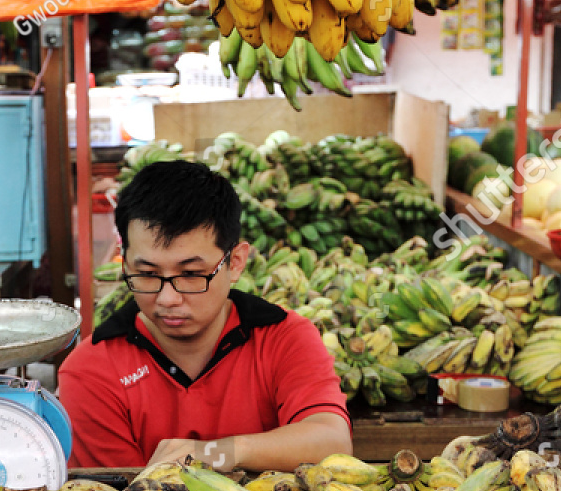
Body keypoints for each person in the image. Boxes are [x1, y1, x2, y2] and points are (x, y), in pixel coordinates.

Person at [58, 160, 353, 471]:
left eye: (192, 274)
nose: (168, 298)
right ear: (125, 264)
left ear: (236, 262)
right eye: (146, 273)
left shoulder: (285, 337)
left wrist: (223, 451)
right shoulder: (90, 372)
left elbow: (332, 441)